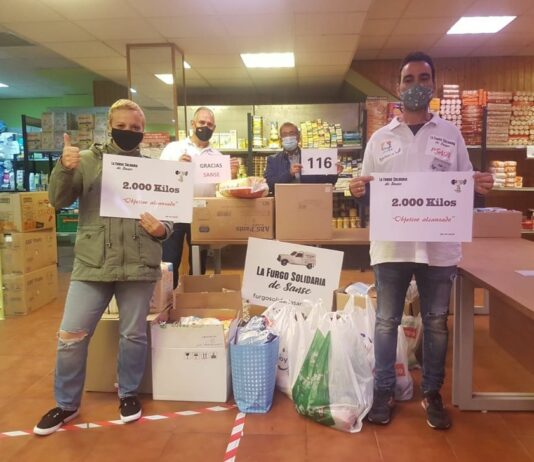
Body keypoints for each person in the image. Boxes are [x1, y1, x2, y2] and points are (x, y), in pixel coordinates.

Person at [349, 52, 494, 430]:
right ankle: (384, 390)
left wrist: (479, 187)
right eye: (408, 79)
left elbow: (464, 185)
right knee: (386, 322)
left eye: (423, 78)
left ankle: (432, 392)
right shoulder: (380, 139)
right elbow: (366, 189)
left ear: (433, 84)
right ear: (398, 87)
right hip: (391, 246)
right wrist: (356, 191)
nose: (415, 85)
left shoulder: (451, 135)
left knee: (436, 322)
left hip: (438, 247)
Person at [34, 99, 173, 436]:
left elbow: (169, 214)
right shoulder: (84, 161)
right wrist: (63, 168)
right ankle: (66, 404)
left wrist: (162, 229)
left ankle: (128, 394)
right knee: (71, 335)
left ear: (143, 131)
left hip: (139, 262)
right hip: (92, 263)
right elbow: (57, 200)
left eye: (135, 128)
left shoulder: (153, 169)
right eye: (121, 126)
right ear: (109, 127)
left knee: (133, 334)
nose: (128, 132)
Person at [160, 106, 239, 288]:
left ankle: (195, 294)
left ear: (214, 128)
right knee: (170, 258)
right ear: (193, 124)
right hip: (174, 210)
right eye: (202, 122)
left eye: (209, 124)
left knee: (199, 260)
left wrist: (232, 174)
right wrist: (176, 167)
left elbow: (225, 189)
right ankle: (168, 297)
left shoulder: (217, 156)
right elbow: (159, 177)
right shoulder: (174, 149)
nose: (205, 127)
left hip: (202, 212)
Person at [264, 121, 342, 194]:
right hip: (284, 201)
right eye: (284, 134)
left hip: (308, 200)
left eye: (291, 133)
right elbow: (269, 185)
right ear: (281, 139)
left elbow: (324, 182)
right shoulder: (273, 160)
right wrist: (289, 174)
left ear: (298, 137)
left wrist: (334, 172)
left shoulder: (311, 157)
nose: (288, 137)